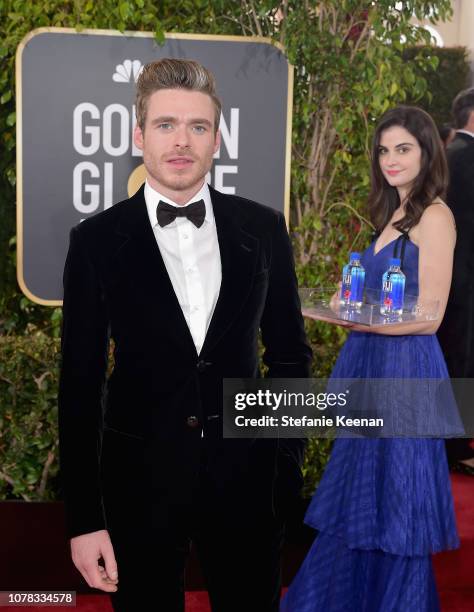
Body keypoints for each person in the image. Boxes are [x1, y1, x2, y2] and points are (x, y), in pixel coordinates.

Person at [58, 58, 312, 612]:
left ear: (216, 139)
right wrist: (85, 521)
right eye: (165, 125)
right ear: (138, 135)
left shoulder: (263, 228)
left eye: (197, 127)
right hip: (138, 491)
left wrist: (282, 469)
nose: (181, 142)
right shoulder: (96, 241)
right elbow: (79, 388)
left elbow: (291, 357)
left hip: (247, 488)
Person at [281, 106, 461, 611]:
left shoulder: (436, 217)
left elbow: (431, 315)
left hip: (404, 369)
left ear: (428, 152)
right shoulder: (394, 215)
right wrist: (341, 303)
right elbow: (378, 297)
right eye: (384, 150)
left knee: (398, 499)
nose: (391, 160)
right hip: (371, 360)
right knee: (361, 493)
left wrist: (358, 320)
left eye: (403, 148)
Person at [437, 87, 474, 473]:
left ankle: (452, 440)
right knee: (460, 360)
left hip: (447, 275)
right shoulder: (469, 157)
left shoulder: (447, 156)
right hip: (465, 278)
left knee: (451, 359)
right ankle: (457, 445)